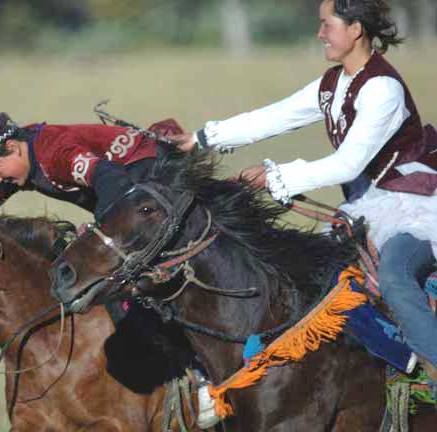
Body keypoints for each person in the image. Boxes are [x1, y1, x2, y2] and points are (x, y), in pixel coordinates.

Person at [179, 0, 437, 391]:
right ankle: (389, 361)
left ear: (355, 30)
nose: (319, 34)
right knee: (302, 270)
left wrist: (276, 176)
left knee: (396, 277)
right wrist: (200, 140)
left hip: (414, 208)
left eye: (326, 25)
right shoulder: (333, 85)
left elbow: (347, 165)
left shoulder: (383, 89)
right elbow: (273, 117)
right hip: (367, 207)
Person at [0, 112, 219, 427]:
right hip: (134, 188)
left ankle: (206, 379)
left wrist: (103, 229)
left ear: (15, 148)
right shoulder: (22, 156)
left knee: (146, 284)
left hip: (152, 180)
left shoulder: (54, 153)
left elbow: (111, 178)